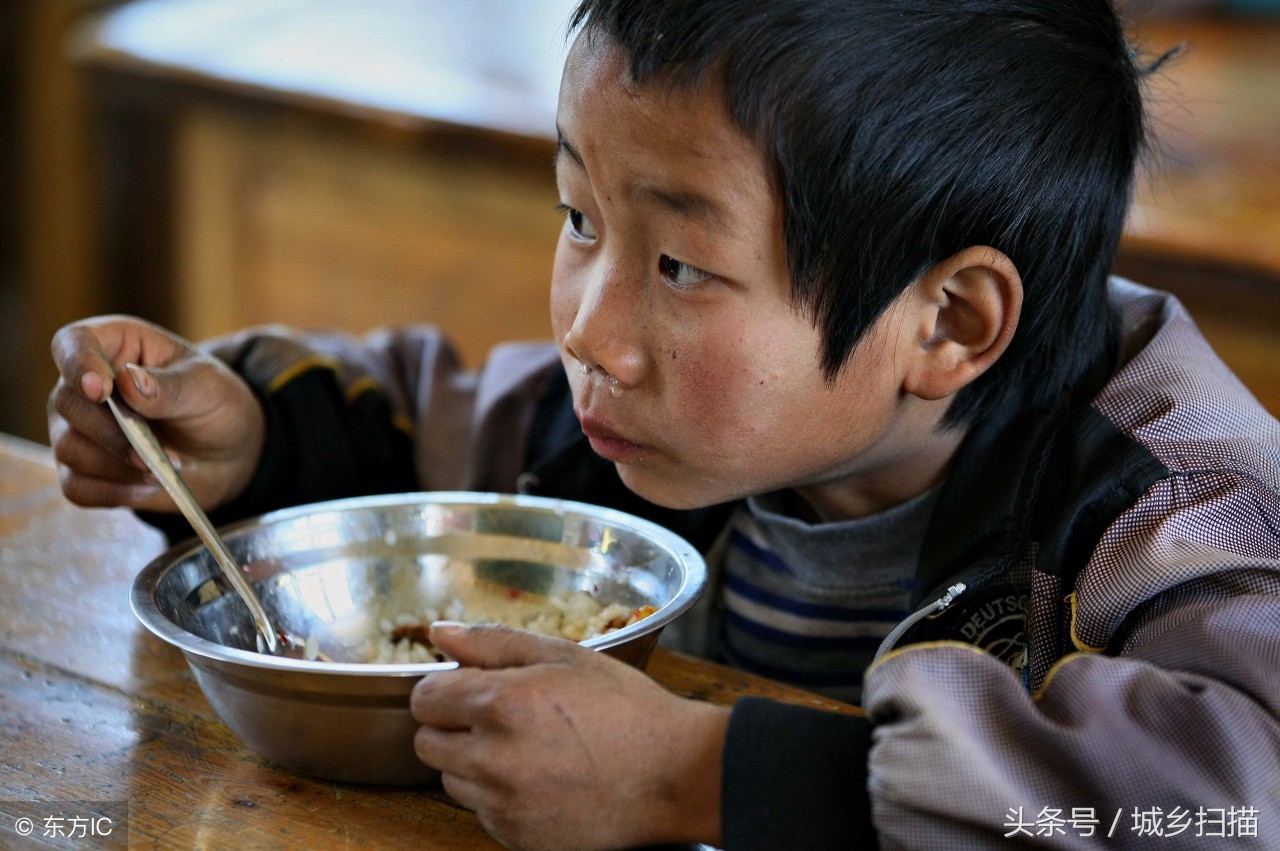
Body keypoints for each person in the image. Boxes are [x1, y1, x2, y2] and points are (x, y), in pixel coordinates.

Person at [47, 0, 1280, 848]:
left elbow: (1235, 805)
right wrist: (247, 435)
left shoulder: (1162, 502)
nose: (590, 330)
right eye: (579, 216)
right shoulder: (630, 420)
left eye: (681, 265)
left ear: (948, 321)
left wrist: (694, 775)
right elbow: (427, 441)